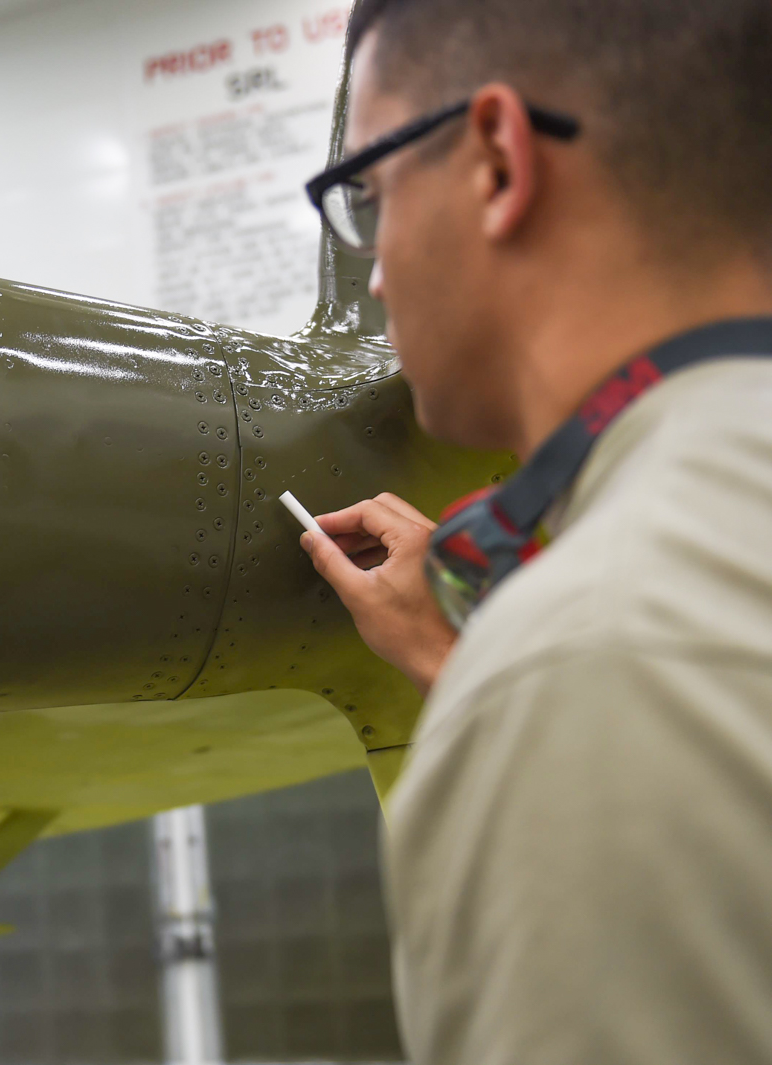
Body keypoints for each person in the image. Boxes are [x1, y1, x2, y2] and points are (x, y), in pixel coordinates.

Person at [297, 0, 772, 1061]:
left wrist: (522, 682)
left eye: (367, 197)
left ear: (498, 162)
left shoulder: (590, 667)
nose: (371, 272)